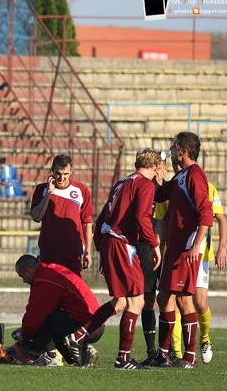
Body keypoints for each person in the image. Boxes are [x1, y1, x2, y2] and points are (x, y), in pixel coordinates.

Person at [66, 148, 162, 370]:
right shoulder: (145, 184)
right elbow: (141, 217)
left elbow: (102, 217)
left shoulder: (122, 182)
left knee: (121, 301)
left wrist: (101, 247)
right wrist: (155, 245)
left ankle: (78, 335)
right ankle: (123, 359)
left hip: (110, 241)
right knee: (137, 301)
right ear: (156, 167)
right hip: (121, 243)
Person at [145, 132, 213, 369]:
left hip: (186, 248)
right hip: (174, 248)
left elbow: (205, 212)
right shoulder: (181, 175)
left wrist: (196, 245)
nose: (171, 150)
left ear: (183, 151)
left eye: (174, 147)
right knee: (164, 297)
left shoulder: (195, 175)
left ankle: (190, 357)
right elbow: (161, 194)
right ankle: (164, 354)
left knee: (184, 300)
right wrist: (157, 175)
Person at [155, 169, 227, 364]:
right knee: (170, 299)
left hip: (198, 252)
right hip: (175, 250)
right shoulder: (175, 183)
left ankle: (203, 340)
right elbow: (162, 220)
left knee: (198, 301)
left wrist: (221, 248)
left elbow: (217, 218)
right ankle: (175, 353)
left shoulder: (203, 184)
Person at [8, 254, 104, 367]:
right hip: (95, 325)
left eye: (22, 276)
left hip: (86, 326)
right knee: (50, 316)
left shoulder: (44, 279)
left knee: (45, 317)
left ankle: (50, 356)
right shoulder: (51, 270)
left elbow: (34, 314)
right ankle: (85, 351)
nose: (24, 281)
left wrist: (24, 335)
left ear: (28, 271)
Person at [30, 154, 94, 276]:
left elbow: (87, 222)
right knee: (49, 290)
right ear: (52, 171)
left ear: (71, 172)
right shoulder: (41, 190)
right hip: (49, 251)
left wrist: (88, 252)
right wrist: (48, 193)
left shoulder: (81, 190)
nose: (62, 178)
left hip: (73, 251)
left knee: (73, 291)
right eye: (58, 173)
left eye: (66, 174)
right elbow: (36, 217)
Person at [136, 151, 168, 361]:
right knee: (148, 301)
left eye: (163, 165)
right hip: (148, 249)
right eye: (159, 164)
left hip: (168, 250)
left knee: (170, 301)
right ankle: (151, 351)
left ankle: (170, 351)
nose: (161, 168)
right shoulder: (143, 186)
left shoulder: (172, 189)